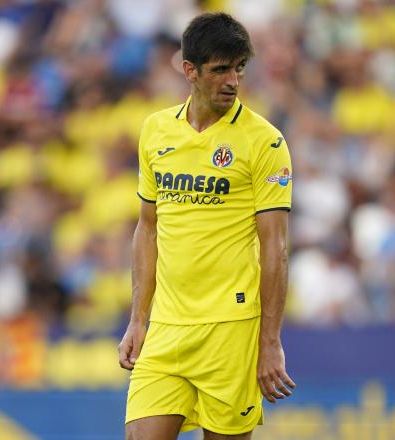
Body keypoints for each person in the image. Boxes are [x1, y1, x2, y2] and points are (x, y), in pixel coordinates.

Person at [118, 12, 295, 440]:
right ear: (190, 71)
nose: (232, 81)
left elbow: (276, 248)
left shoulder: (265, 142)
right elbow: (148, 228)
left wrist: (269, 341)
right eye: (220, 70)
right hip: (166, 327)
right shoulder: (156, 131)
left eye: (239, 69)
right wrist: (138, 317)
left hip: (230, 328)